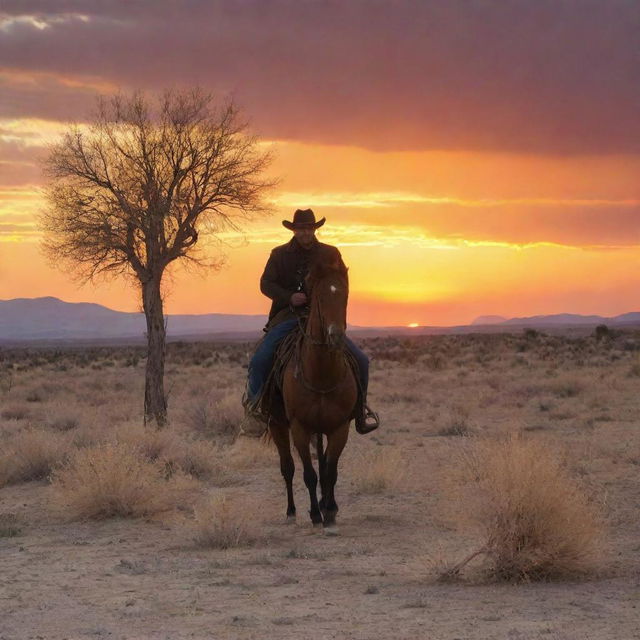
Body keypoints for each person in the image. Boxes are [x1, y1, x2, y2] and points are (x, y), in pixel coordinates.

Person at [243, 208, 379, 434]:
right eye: (300, 229)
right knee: (260, 359)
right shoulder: (279, 254)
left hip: (324, 320)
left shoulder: (330, 253)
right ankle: (256, 410)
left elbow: (342, 285)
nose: (305, 232)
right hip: (288, 316)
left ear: (315, 229)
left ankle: (359, 413)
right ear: (294, 230)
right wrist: (289, 297)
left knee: (362, 360)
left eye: (309, 228)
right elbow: (265, 284)